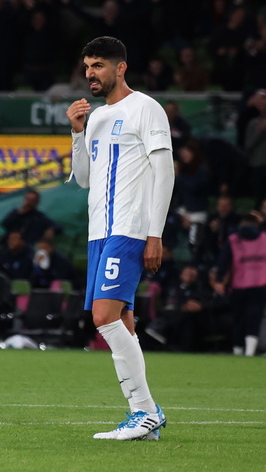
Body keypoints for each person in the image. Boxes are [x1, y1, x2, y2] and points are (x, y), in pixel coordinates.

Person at [66, 37, 172, 440]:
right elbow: (86, 179)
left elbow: (165, 173)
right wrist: (77, 133)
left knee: (104, 317)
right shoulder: (95, 117)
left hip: (129, 228)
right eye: (87, 66)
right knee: (121, 321)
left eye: (98, 65)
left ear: (120, 68)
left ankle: (146, 411)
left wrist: (154, 234)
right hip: (99, 232)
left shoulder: (146, 108)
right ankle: (143, 417)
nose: (90, 74)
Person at [213, 214, 266, 357]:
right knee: (254, 318)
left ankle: (237, 350)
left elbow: (223, 261)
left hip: (239, 284)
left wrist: (220, 279)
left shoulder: (233, 239)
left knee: (239, 319)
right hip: (261, 284)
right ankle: (250, 352)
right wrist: (265, 222)